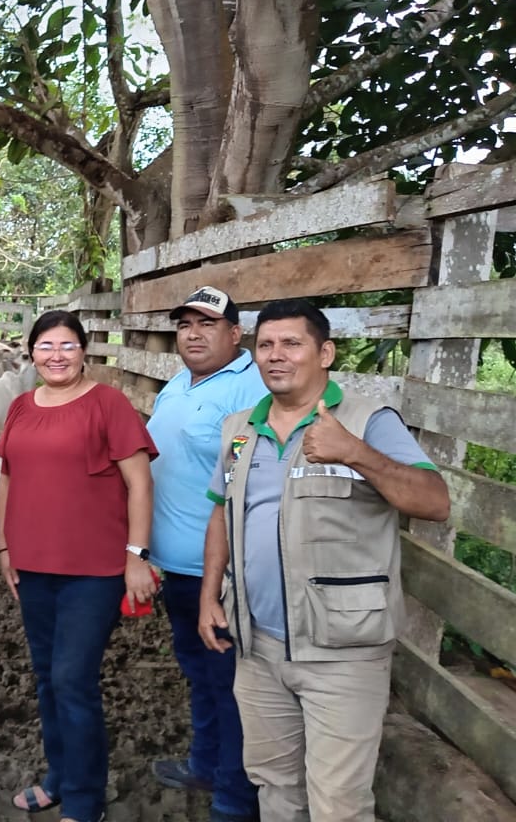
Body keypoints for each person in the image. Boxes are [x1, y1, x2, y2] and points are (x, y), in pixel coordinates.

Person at [198, 299, 450, 822]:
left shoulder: (367, 421)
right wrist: (208, 595)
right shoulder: (239, 430)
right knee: (275, 786)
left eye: (292, 344)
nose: (276, 356)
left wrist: (354, 452)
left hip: (342, 652)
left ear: (325, 352)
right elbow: (222, 512)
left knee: (338, 804)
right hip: (257, 647)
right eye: (265, 345)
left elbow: (434, 502)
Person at [0, 310, 158, 822]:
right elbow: (6, 478)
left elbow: (140, 483)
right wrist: (4, 547)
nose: (56, 355)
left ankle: (86, 801)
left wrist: (136, 556)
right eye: (46, 346)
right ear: (32, 353)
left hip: (94, 570)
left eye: (67, 345)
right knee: (47, 676)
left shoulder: (108, 404)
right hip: (33, 566)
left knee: (72, 678)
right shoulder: (21, 406)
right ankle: (58, 778)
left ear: (84, 351)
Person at [146, 287, 267, 822]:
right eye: (185, 324)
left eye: (208, 324)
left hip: (215, 570)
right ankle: (205, 763)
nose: (193, 334)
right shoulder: (176, 384)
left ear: (235, 335)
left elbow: (243, 476)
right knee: (198, 672)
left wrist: (222, 573)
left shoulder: (250, 390)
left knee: (228, 682)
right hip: (174, 564)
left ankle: (234, 798)